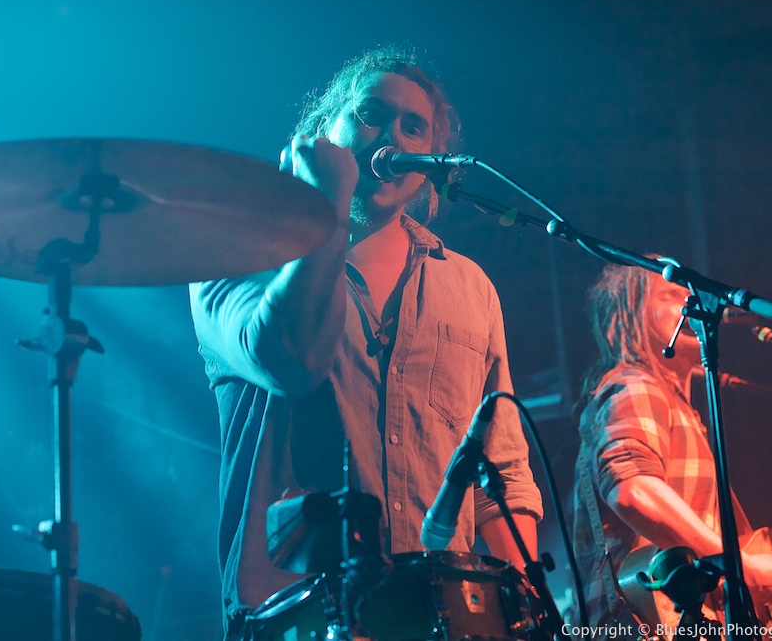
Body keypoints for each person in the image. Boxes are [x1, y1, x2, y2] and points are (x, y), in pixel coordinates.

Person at [189, 45, 542, 639]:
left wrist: (529, 608)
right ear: (324, 130)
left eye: (414, 126)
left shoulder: (470, 288)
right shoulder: (239, 252)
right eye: (372, 114)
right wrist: (324, 201)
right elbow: (289, 357)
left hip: (446, 613)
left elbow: (499, 472)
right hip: (294, 613)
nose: (392, 136)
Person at [570, 262, 772, 630]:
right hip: (641, 623)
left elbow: (747, 558)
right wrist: (736, 564)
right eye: (670, 295)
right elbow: (631, 489)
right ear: (627, 317)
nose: (689, 302)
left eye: (690, 295)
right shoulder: (638, 385)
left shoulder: (682, 413)